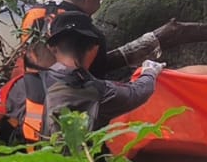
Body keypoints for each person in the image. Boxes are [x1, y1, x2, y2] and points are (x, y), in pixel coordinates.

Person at [4, 0, 114, 144]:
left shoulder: (33, 15)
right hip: (63, 122)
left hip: (23, 108)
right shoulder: (92, 35)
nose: (99, 5)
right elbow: (98, 86)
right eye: (99, 0)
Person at [39, 11, 164, 142]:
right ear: (94, 48)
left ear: (51, 48)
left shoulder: (34, 79)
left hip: (37, 158)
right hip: (80, 161)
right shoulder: (95, 90)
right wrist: (150, 71)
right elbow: (137, 93)